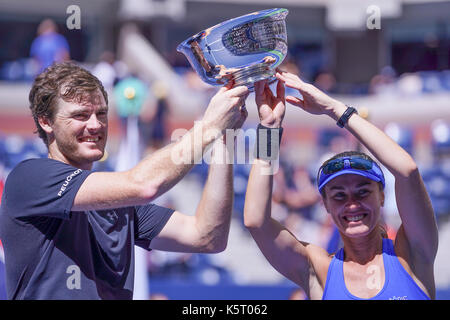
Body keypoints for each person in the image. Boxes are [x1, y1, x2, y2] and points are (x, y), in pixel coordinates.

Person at [0, 62, 249, 299]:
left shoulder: (119, 205)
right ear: (46, 122)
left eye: (101, 113)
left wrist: (224, 137)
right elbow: (144, 185)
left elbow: (207, 237)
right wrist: (208, 127)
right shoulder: (29, 177)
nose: (95, 125)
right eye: (81, 115)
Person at [244, 71, 438, 300]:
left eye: (362, 192)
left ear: (382, 197)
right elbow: (256, 221)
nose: (352, 204)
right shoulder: (320, 270)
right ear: (325, 204)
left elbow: (407, 171)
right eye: (338, 196)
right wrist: (269, 129)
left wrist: (335, 110)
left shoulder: (411, 255)